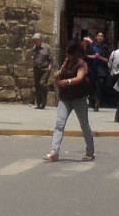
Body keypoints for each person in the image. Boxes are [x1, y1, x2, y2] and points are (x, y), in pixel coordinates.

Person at [46, 34, 95, 162]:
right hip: (65, 98)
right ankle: (54, 152)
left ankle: (90, 152)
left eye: (69, 54)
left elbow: (79, 78)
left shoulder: (81, 64)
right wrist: (57, 75)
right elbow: (61, 72)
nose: (67, 56)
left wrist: (67, 81)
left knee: (84, 125)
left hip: (79, 98)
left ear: (75, 53)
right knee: (59, 124)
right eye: (66, 53)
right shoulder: (66, 62)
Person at [30, 33, 52, 109]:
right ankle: (39, 104)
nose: (35, 42)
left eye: (36, 40)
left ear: (41, 39)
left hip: (45, 69)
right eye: (34, 40)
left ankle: (44, 101)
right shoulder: (34, 48)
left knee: (42, 84)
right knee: (37, 86)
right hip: (36, 69)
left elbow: (51, 59)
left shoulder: (47, 47)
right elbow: (32, 57)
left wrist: (49, 68)